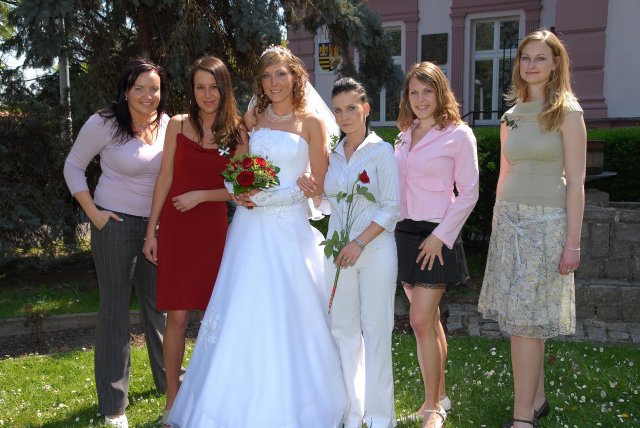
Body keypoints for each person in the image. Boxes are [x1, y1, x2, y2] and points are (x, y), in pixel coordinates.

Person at [166, 46, 347, 427]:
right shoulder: (252, 118)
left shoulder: (312, 123)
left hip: (288, 231)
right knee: (240, 310)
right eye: (266, 76)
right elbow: (235, 168)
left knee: (290, 313)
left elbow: (319, 187)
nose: (273, 82)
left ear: (295, 77)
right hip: (249, 230)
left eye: (280, 74)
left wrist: (299, 189)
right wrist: (240, 188)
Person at [477, 29, 586, 428]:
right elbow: (505, 173)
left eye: (541, 58)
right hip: (509, 222)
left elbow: (576, 182)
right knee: (522, 319)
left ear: (556, 64)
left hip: (546, 226)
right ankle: (536, 401)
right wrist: (496, 226)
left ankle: (522, 418)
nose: (531, 65)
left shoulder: (568, 112)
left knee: (526, 321)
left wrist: (572, 243)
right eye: (526, 58)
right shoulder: (511, 116)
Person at [141, 56, 248, 426]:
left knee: (211, 317)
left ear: (224, 89)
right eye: (200, 87)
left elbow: (240, 190)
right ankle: (173, 397)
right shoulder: (177, 124)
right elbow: (165, 178)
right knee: (177, 316)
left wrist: (202, 195)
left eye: (213, 86)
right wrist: (152, 231)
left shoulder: (237, 132)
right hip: (176, 228)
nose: (207, 94)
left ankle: (211, 396)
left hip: (212, 231)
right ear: (192, 91)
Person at [63, 58, 169, 428]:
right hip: (115, 225)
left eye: (154, 88)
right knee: (114, 311)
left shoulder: (167, 124)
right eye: (139, 88)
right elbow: (73, 166)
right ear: (125, 91)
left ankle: (169, 382)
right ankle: (113, 404)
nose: (147, 95)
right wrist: (94, 213)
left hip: (156, 228)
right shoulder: (104, 122)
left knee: (159, 307)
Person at [299, 77, 399, 428]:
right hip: (338, 254)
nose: (344, 116)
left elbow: (390, 208)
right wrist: (314, 192)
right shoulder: (334, 155)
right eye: (338, 110)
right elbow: (329, 206)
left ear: (366, 109)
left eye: (351, 108)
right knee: (343, 331)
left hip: (374, 252)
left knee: (376, 332)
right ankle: (354, 412)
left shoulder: (381, 152)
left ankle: (381, 418)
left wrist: (359, 243)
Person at [394, 62, 479, 428]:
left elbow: (469, 193)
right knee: (429, 321)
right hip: (404, 234)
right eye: (414, 92)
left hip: (436, 237)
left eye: (427, 91)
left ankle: (432, 409)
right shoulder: (404, 134)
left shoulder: (458, 135)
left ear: (441, 93)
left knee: (418, 320)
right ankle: (440, 397)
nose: (420, 99)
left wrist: (440, 237)